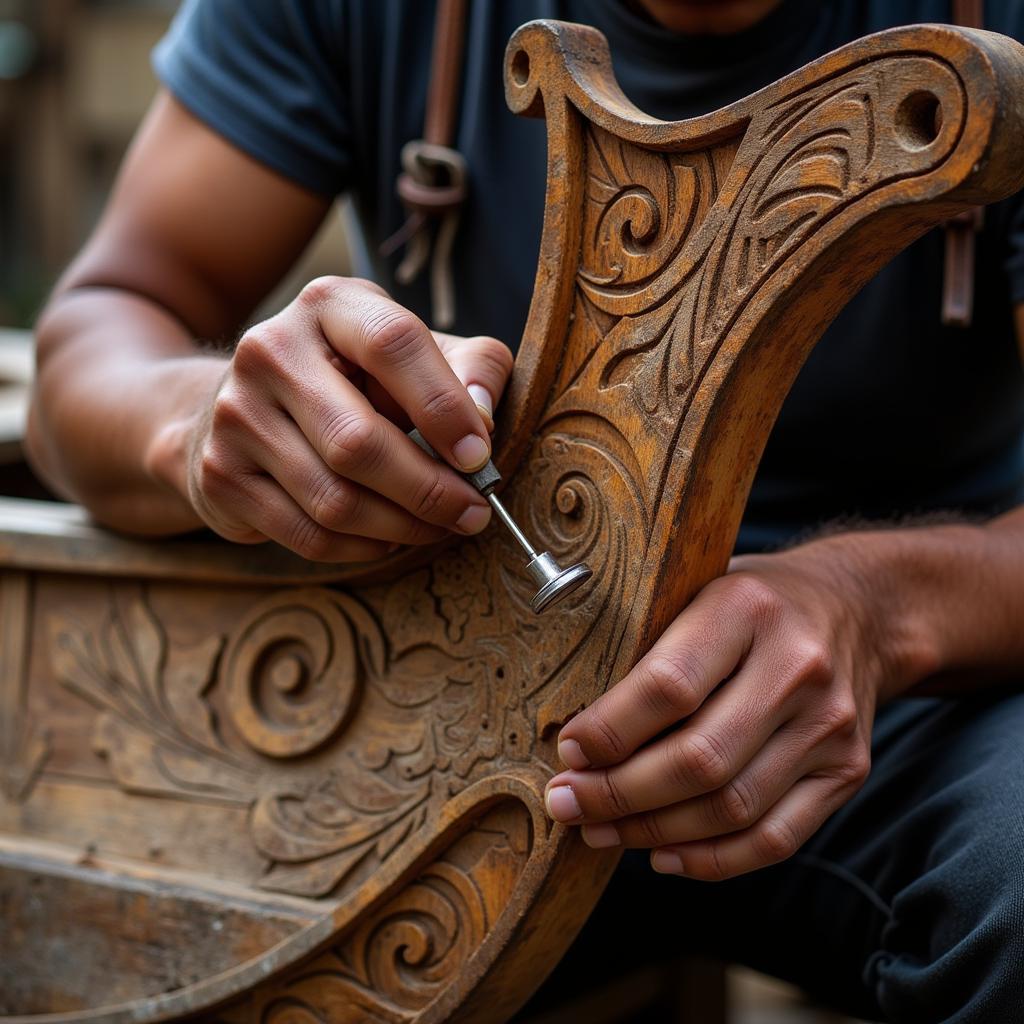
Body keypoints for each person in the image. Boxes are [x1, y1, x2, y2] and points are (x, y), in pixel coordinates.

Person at [25, 1, 1024, 1021]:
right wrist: (196, 424)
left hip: (910, 710)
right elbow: (96, 336)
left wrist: (874, 608)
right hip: (425, 680)